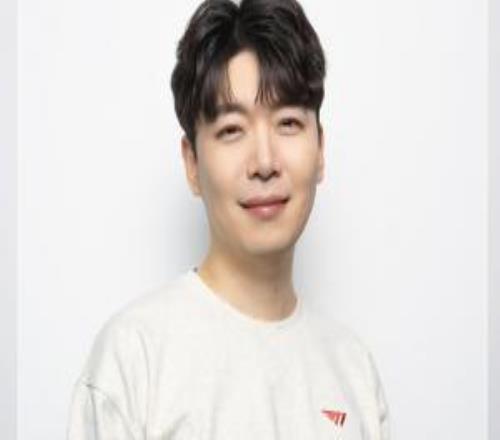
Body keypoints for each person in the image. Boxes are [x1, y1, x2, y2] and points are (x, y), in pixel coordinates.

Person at [67, 0, 390, 438]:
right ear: (192, 164)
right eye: (231, 130)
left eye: (288, 123)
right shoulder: (134, 359)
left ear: (320, 150)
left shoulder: (353, 371)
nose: (264, 162)